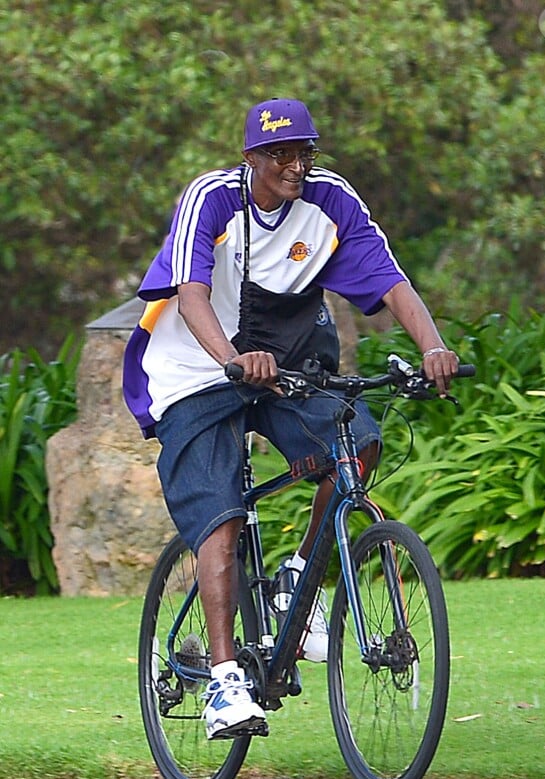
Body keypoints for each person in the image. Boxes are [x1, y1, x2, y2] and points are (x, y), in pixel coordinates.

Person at [123, 98, 458, 740]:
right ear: (250, 159)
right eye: (279, 154)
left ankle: (299, 581)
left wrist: (433, 347)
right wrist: (228, 358)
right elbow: (189, 291)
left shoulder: (331, 200)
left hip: (284, 367)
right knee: (220, 513)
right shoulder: (212, 198)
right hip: (195, 369)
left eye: (304, 152)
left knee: (356, 446)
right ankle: (224, 682)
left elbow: (391, 281)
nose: (295, 165)